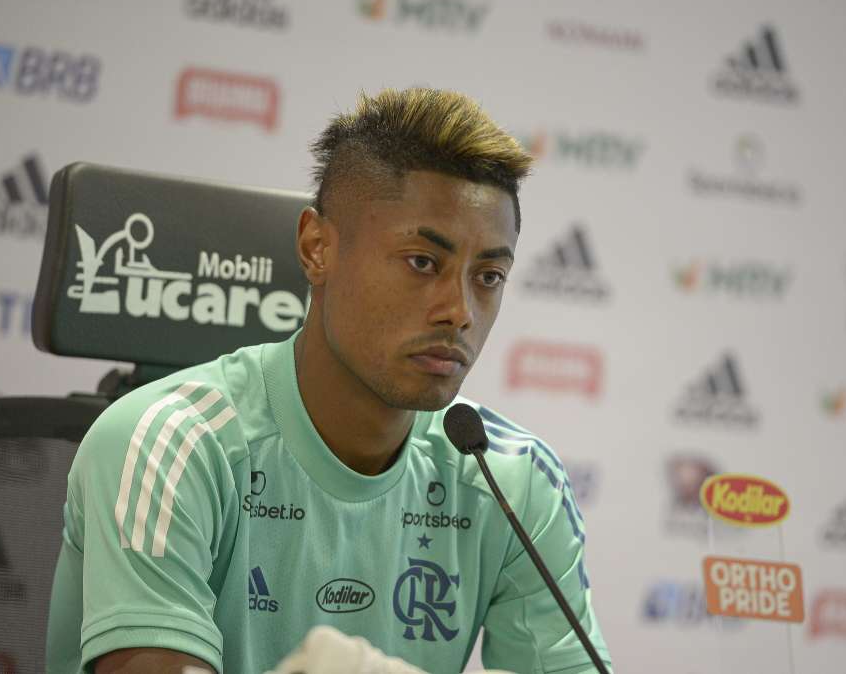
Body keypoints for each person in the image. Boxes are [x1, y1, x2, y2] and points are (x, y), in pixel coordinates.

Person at [46, 87, 613, 674]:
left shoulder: (512, 480)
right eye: (423, 262)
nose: (460, 310)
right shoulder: (167, 442)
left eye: (489, 275)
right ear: (317, 247)